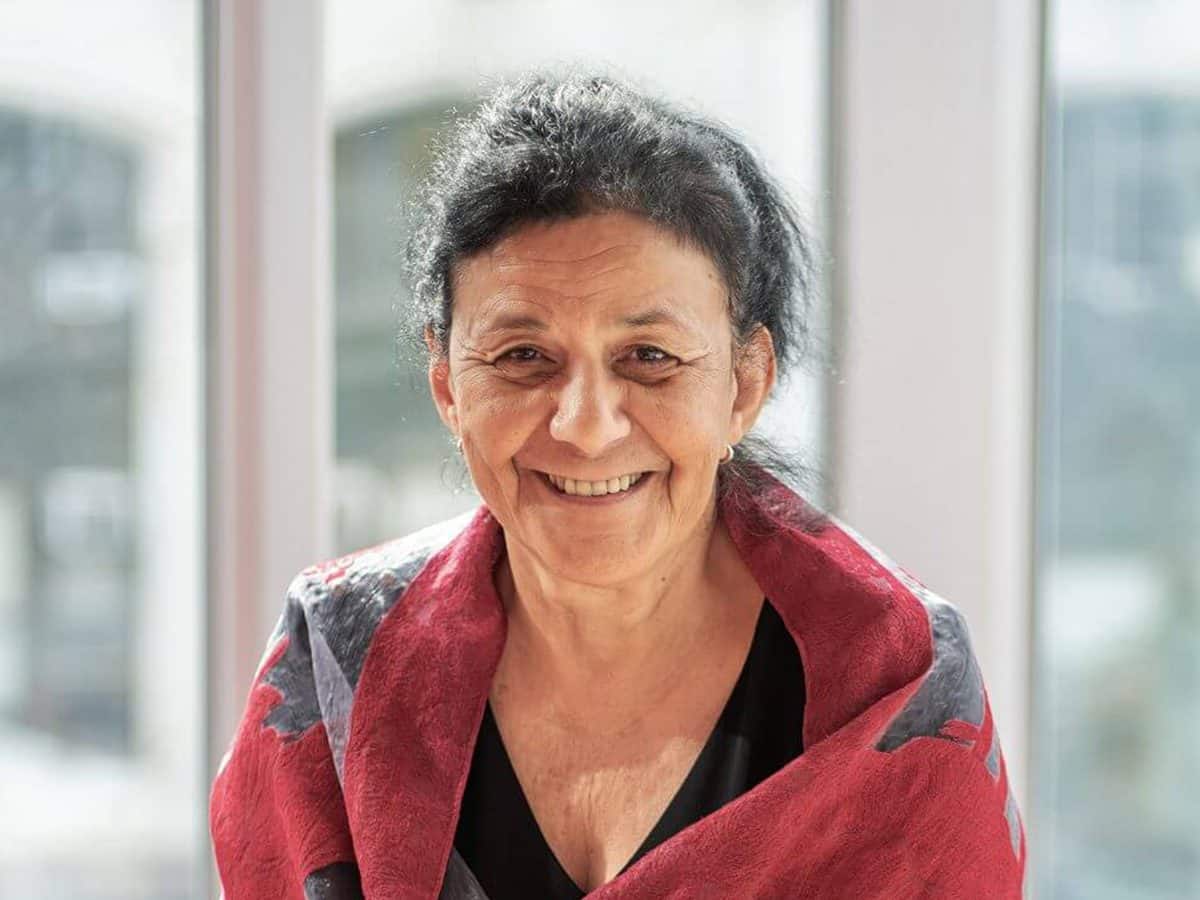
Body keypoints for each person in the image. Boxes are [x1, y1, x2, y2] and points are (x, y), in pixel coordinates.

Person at [210, 72, 1027, 899]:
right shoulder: (335, 662)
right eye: (523, 357)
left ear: (744, 384)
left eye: (649, 357)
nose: (586, 426)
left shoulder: (899, 684)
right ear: (448, 386)